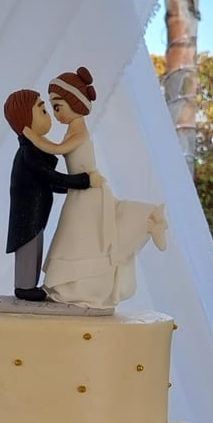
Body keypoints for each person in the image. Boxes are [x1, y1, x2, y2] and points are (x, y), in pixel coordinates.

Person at [22, 67, 167, 309]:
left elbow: (57, 149)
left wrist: (32, 137)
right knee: (78, 238)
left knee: (86, 238)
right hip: (80, 192)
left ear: (73, 103)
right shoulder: (72, 129)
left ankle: (150, 222)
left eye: (57, 107)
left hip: (88, 192)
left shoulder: (78, 130)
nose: (55, 114)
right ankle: (73, 287)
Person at [4, 89, 103, 302]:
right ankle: (24, 286)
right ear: (26, 121)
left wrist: (75, 187)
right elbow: (52, 178)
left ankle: (28, 284)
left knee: (35, 250)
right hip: (27, 216)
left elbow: (51, 182)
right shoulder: (28, 153)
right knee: (28, 250)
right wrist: (84, 181)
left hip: (35, 215)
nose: (48, 115)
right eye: (42, 110)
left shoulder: (35, 151)